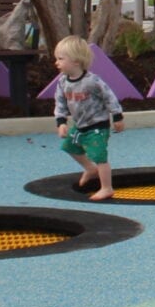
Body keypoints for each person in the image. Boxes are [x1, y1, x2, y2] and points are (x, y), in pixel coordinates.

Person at [51, 34, 125, 198]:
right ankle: (90, 169)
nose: (56, 62)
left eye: (61, 59)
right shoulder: (63, 82)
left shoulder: (92, 81)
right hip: (80, 126)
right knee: (69, 147)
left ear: (76, 61)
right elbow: (60, 102)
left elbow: (109, 96)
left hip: (97, 126)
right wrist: (61, 121)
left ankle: (107, 187)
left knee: (99, 156)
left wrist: (117, 116)